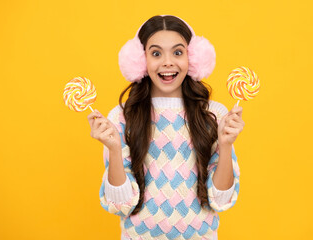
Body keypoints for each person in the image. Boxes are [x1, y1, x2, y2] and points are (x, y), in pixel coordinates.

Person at [87, 15, 244, 240]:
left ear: (194, 59)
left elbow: (219, 200)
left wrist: (226, 145)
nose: (167, 62)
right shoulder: (121, 117)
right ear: (140, 61)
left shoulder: (214, 115)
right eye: (156, 53)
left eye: (178, 52)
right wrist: (113, 149)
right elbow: (121, 205)